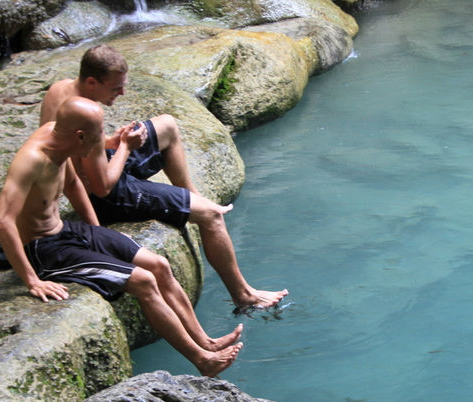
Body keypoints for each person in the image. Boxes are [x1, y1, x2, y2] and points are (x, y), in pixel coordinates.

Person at [0, 96, 243, 377]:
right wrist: (32, 280)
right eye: (99, 134)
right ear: (79, 136)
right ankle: (202, 360)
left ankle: (206, 341)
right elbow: (2, 222)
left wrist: (95, 230)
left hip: (66, 229)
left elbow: (74, 183)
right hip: (45, 249)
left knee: (158, 264)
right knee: (144, 280)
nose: (104, 140)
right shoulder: (32, 160)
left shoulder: (60, 136)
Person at [39, 43, 287, 311]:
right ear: (91, 82)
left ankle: (191, 197)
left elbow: (77, 148)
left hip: (99, 164)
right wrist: (125, 147)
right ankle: (243, 294)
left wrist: (114, 141)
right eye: (115, 88)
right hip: (104, 195)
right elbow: (102, 187)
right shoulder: (88, 116)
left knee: (167, 125)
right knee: (211, 217)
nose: (121, 93)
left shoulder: (59, 90)